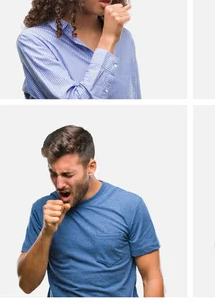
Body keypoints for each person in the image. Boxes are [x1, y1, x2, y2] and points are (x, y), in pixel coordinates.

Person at [18, 125, 163, 296]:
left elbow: (151, 277)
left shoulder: (130, 206)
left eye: (67, 175)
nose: (59, 184)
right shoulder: (42, 210)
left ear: (91, 167)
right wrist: (47, 232)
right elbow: (26, 285)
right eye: (53, 174)